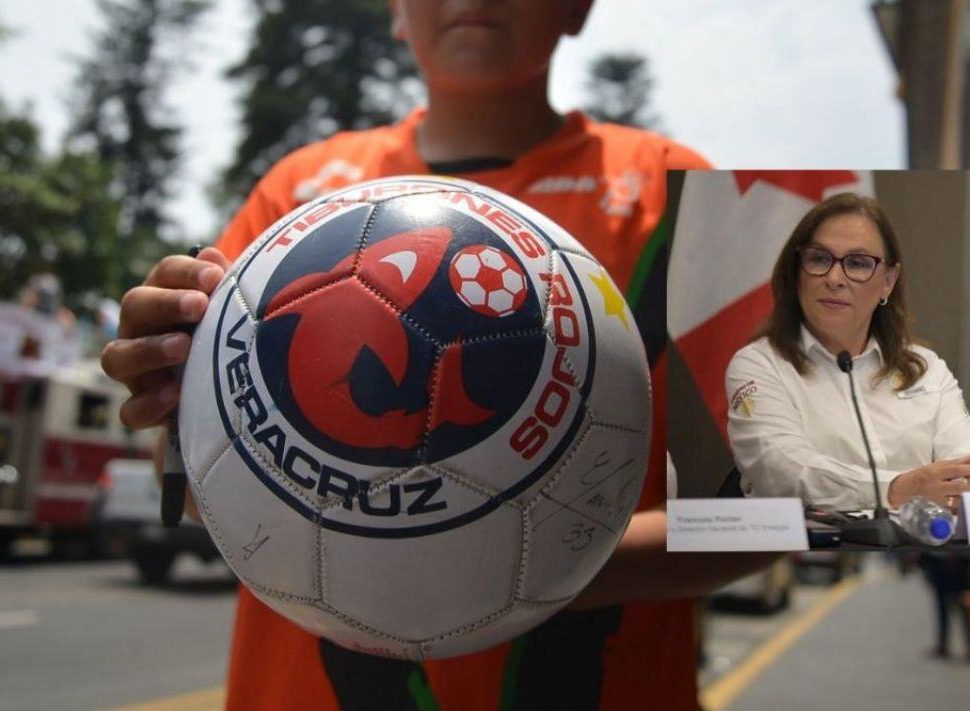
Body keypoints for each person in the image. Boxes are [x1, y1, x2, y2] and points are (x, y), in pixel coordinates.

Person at [103, 2, 776, 708]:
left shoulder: (679, 188)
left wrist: (536, 564)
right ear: (396, 13)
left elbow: (784, 508)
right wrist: (166, 397)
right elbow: (210, 486)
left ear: (576, 9)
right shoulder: (296, 193)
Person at [726, 192, 970, 513]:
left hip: (923, 537)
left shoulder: (927, 369)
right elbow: (782, 469)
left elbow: (962, 468)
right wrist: (895, 489)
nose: (834, 278)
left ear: (887, 282)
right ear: (796, 271)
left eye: (857, 263)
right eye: (819, 259)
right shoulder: (758, 365)